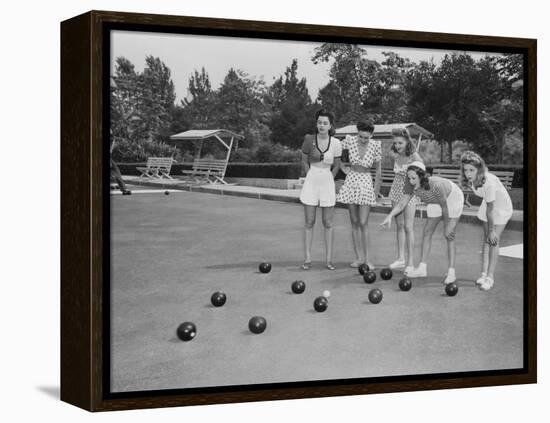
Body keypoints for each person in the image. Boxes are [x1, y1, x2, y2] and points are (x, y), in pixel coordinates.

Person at [381, 162, 464, 284]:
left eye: (414, 178)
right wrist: (390, 216)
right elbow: (402, 203)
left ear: (421, 176)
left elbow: (444, 207)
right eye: (408, 178)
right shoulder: (409, 185)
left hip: (452, 198)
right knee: (427, 232)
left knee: (449, 235)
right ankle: (422, 268)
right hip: (434, 201)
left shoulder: (436, 185)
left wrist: (447, 227)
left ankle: (451, 273)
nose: (411, 181)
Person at [460, 151, 513, 290]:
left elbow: (492, 209)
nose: (468, 173)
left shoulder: (488, 182)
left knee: (493, 239)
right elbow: (488, 206)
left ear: (479, 169)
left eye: (471, 170)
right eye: (466, 170)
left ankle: (490, 277)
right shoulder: (471, 180)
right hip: (488, 205)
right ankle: (483, 274)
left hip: (501, 208)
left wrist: (492, 231)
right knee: (486, 240)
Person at [299, 109, 342, 270]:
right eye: (319, 122)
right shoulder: (309, 139)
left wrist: (330, 177)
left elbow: (337, 165)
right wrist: (309, 172)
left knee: (328, 222)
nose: (321, 125)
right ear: (316, 123)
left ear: (330, 125)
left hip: (327, 180)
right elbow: (303, 159)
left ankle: (329, 260)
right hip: (312, 180)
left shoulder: (336, 143)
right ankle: (308, 259)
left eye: (325, 123)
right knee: (309, 222)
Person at [336, 121, 381, 269]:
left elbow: (378, 171)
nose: (362, 139)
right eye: (360, 136)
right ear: (357, 133)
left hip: (366, 182)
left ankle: (368, 260)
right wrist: (343, 168)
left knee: (363, 222)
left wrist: (375, 191)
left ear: (371, 136)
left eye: (366, 137)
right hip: (351, 181)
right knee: (354, 221)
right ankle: (358, 258)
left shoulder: (376, 145)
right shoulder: (349, 140)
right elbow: (336, 153)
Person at [387, 128, 423, 274]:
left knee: (409, 226)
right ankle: (401, 258)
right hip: (396, 189)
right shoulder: (394, 154)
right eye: (395, 143)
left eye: (400, 142)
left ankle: (410, 262)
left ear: (407, 141)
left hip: (409, 191)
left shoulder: (414, 156)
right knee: (399, 225)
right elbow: (396, 172)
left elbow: (421, 171)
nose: (397, 145)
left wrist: (415, 185)